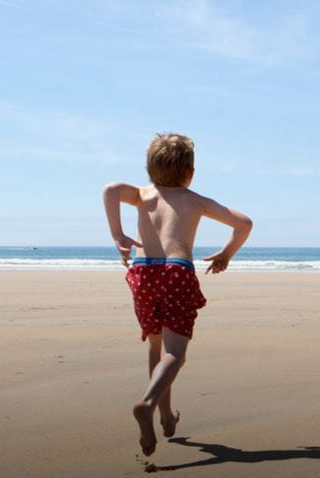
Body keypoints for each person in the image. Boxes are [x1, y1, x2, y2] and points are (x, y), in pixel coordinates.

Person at [102, 133, 254, 456]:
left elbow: (110, 190)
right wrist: (226, 254)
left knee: (157, 346)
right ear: (191, 172)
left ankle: (166, 417)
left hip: (142, 273)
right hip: (175, 272)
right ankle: (147, 402)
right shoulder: (194, 200)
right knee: (176, 354)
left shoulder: (143, 195)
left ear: (149, 168)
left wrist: (117, 235)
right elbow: (244, 223)